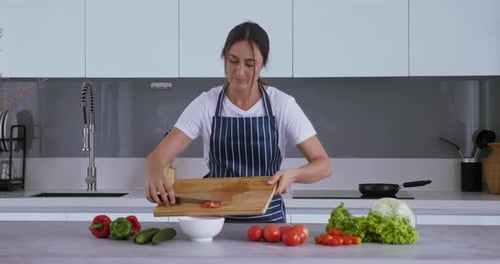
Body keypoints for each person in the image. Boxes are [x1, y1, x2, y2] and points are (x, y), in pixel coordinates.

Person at [146, 21, 332, 223]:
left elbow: (323, 164)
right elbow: (157, 157)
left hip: (267, 222)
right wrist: (155, 175)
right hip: (215, 220)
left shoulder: (282, 105)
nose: (239, 71)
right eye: (233, 61)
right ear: (224, 58)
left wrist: (294, 174)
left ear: (262, 65)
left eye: (249, 64)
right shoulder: (206, 104)